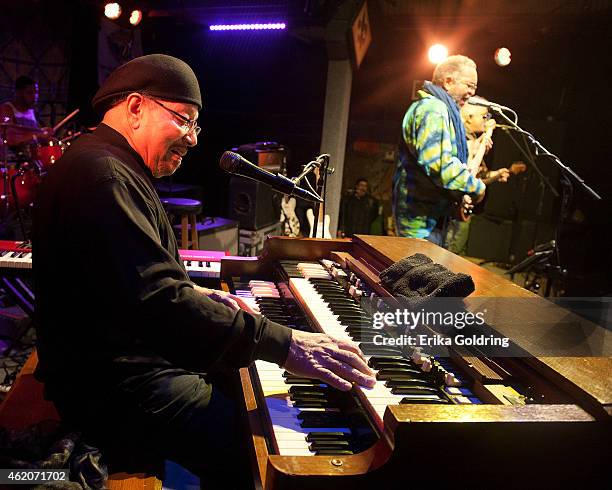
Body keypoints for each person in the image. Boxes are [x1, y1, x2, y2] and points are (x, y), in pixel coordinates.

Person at [32, 54, 376, 486]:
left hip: (121, 363)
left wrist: (199, 296)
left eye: (196, 126)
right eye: (184, 120)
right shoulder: (104, 176)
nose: (193, 139)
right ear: (136, 108)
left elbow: (132, 285)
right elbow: (160, 305)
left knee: (253, 388)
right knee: (259, 447)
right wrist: (289, 345)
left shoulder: (107, 165)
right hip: (114, 387)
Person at [392, 55, 486, 245]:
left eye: (474, 88)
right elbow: (439, 165)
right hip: (419, 223)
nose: (471, 93)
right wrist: (476, 187)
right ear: (448, 82)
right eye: (469, 85)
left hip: (430, 219)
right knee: (420, 273)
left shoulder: (438, 108)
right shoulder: (433, 108)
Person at [445, 100, 511, 254]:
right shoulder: (460, 139)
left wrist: (498, 174)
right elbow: (468, 171)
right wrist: (485, 138)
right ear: (468, 117)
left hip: (463, 206)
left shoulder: (474, 140)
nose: (487, 120)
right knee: (446, 251)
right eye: (484, 116)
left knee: (454, 252)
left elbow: (479, 175)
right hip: (451, 207)